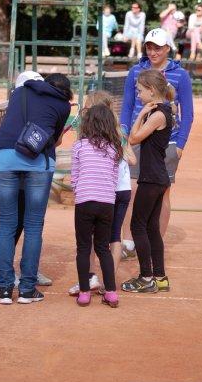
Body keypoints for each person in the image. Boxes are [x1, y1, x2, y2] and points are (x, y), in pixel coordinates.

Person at [0, 72, 72, 304]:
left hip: (3, 156)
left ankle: (4, 289)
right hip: (38, 161)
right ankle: (27, 290)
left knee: (6, 222)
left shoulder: (20, 92)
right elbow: (54, 140)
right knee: (34, 225)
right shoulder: (63, 105)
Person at [120, 28, 194, 259]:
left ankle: (155, 245)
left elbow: (188, 113)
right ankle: (128, 243)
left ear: (167, 49)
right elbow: (126, 106)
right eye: (149, 47)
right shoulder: (135, 72)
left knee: (163, 194)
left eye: (158, 47)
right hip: (137, 138)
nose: (153, 51)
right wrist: (124, 136)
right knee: (130, 191)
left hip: (167, 142)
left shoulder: (180, 75)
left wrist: (180, 145)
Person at [68, 90, 136, 296]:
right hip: (116, 191)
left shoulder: (84, 139)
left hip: (98, 194)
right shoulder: (119, 133)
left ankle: (89, 281)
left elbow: (76, 174)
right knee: (112, 238)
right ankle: (110, 285)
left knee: (86, 242)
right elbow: (131, 160)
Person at [121, 70, 175, 293]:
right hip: (157, 177)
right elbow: (135, 138)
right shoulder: (161, 111)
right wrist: (143, 112)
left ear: (152, 91)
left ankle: (146, 277)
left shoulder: (158, 115)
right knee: (152, 228)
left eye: (141, 91)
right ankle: (160, 277)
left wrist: (142, 114)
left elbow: (133, 138)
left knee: (137, 226)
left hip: (152, 179)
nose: (139, 95)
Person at [71, 104, 123, 308]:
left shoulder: (79, 146)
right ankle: (110, 292)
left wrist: (81, 193)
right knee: (103, 248)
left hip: (84, 201)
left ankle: (84, 293)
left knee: (83, 248)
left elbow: (74, 178)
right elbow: (113, 177)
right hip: (107, 203)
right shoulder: (114, 148)